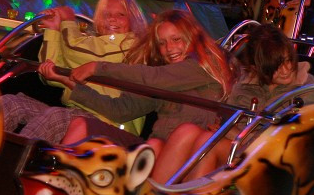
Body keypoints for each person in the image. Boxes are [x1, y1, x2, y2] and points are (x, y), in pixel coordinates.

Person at [42, 10, 237, 182]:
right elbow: (120, 110)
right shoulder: (167, 76)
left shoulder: (204, 65)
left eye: (176, 39)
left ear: (193, 37)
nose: (169, 48)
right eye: (162, 43)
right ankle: (52, 185)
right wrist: (72, 86)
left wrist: (98, 67)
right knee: (82, 124)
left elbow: (154, 78)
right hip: (156, 148)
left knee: (165, 140)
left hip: (186, 153)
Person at [170, 23, 314, 179]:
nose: (286, 70)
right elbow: (225, 119)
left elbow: (295, 142)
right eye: (275, 67)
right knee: (188, 133)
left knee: (209, 143)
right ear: (257, 68)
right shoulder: (244, 86)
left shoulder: (306, 88)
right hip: (239, 149)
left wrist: (237, 135)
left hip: (275, 159)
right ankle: (166, 194)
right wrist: (224, 129)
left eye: (289, 60)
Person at [1, 0, 148, 142]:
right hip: (78, 112)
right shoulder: (93, 44)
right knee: (12, 104)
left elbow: (78, 51)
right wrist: (53, 31)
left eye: (121, 15)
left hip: (110, 123)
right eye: (106, 14)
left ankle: (13, 161)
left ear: (133, 20)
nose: (112, 19)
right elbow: (51, 71)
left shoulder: (132, 44)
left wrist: (68, 21)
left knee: (55, 117)